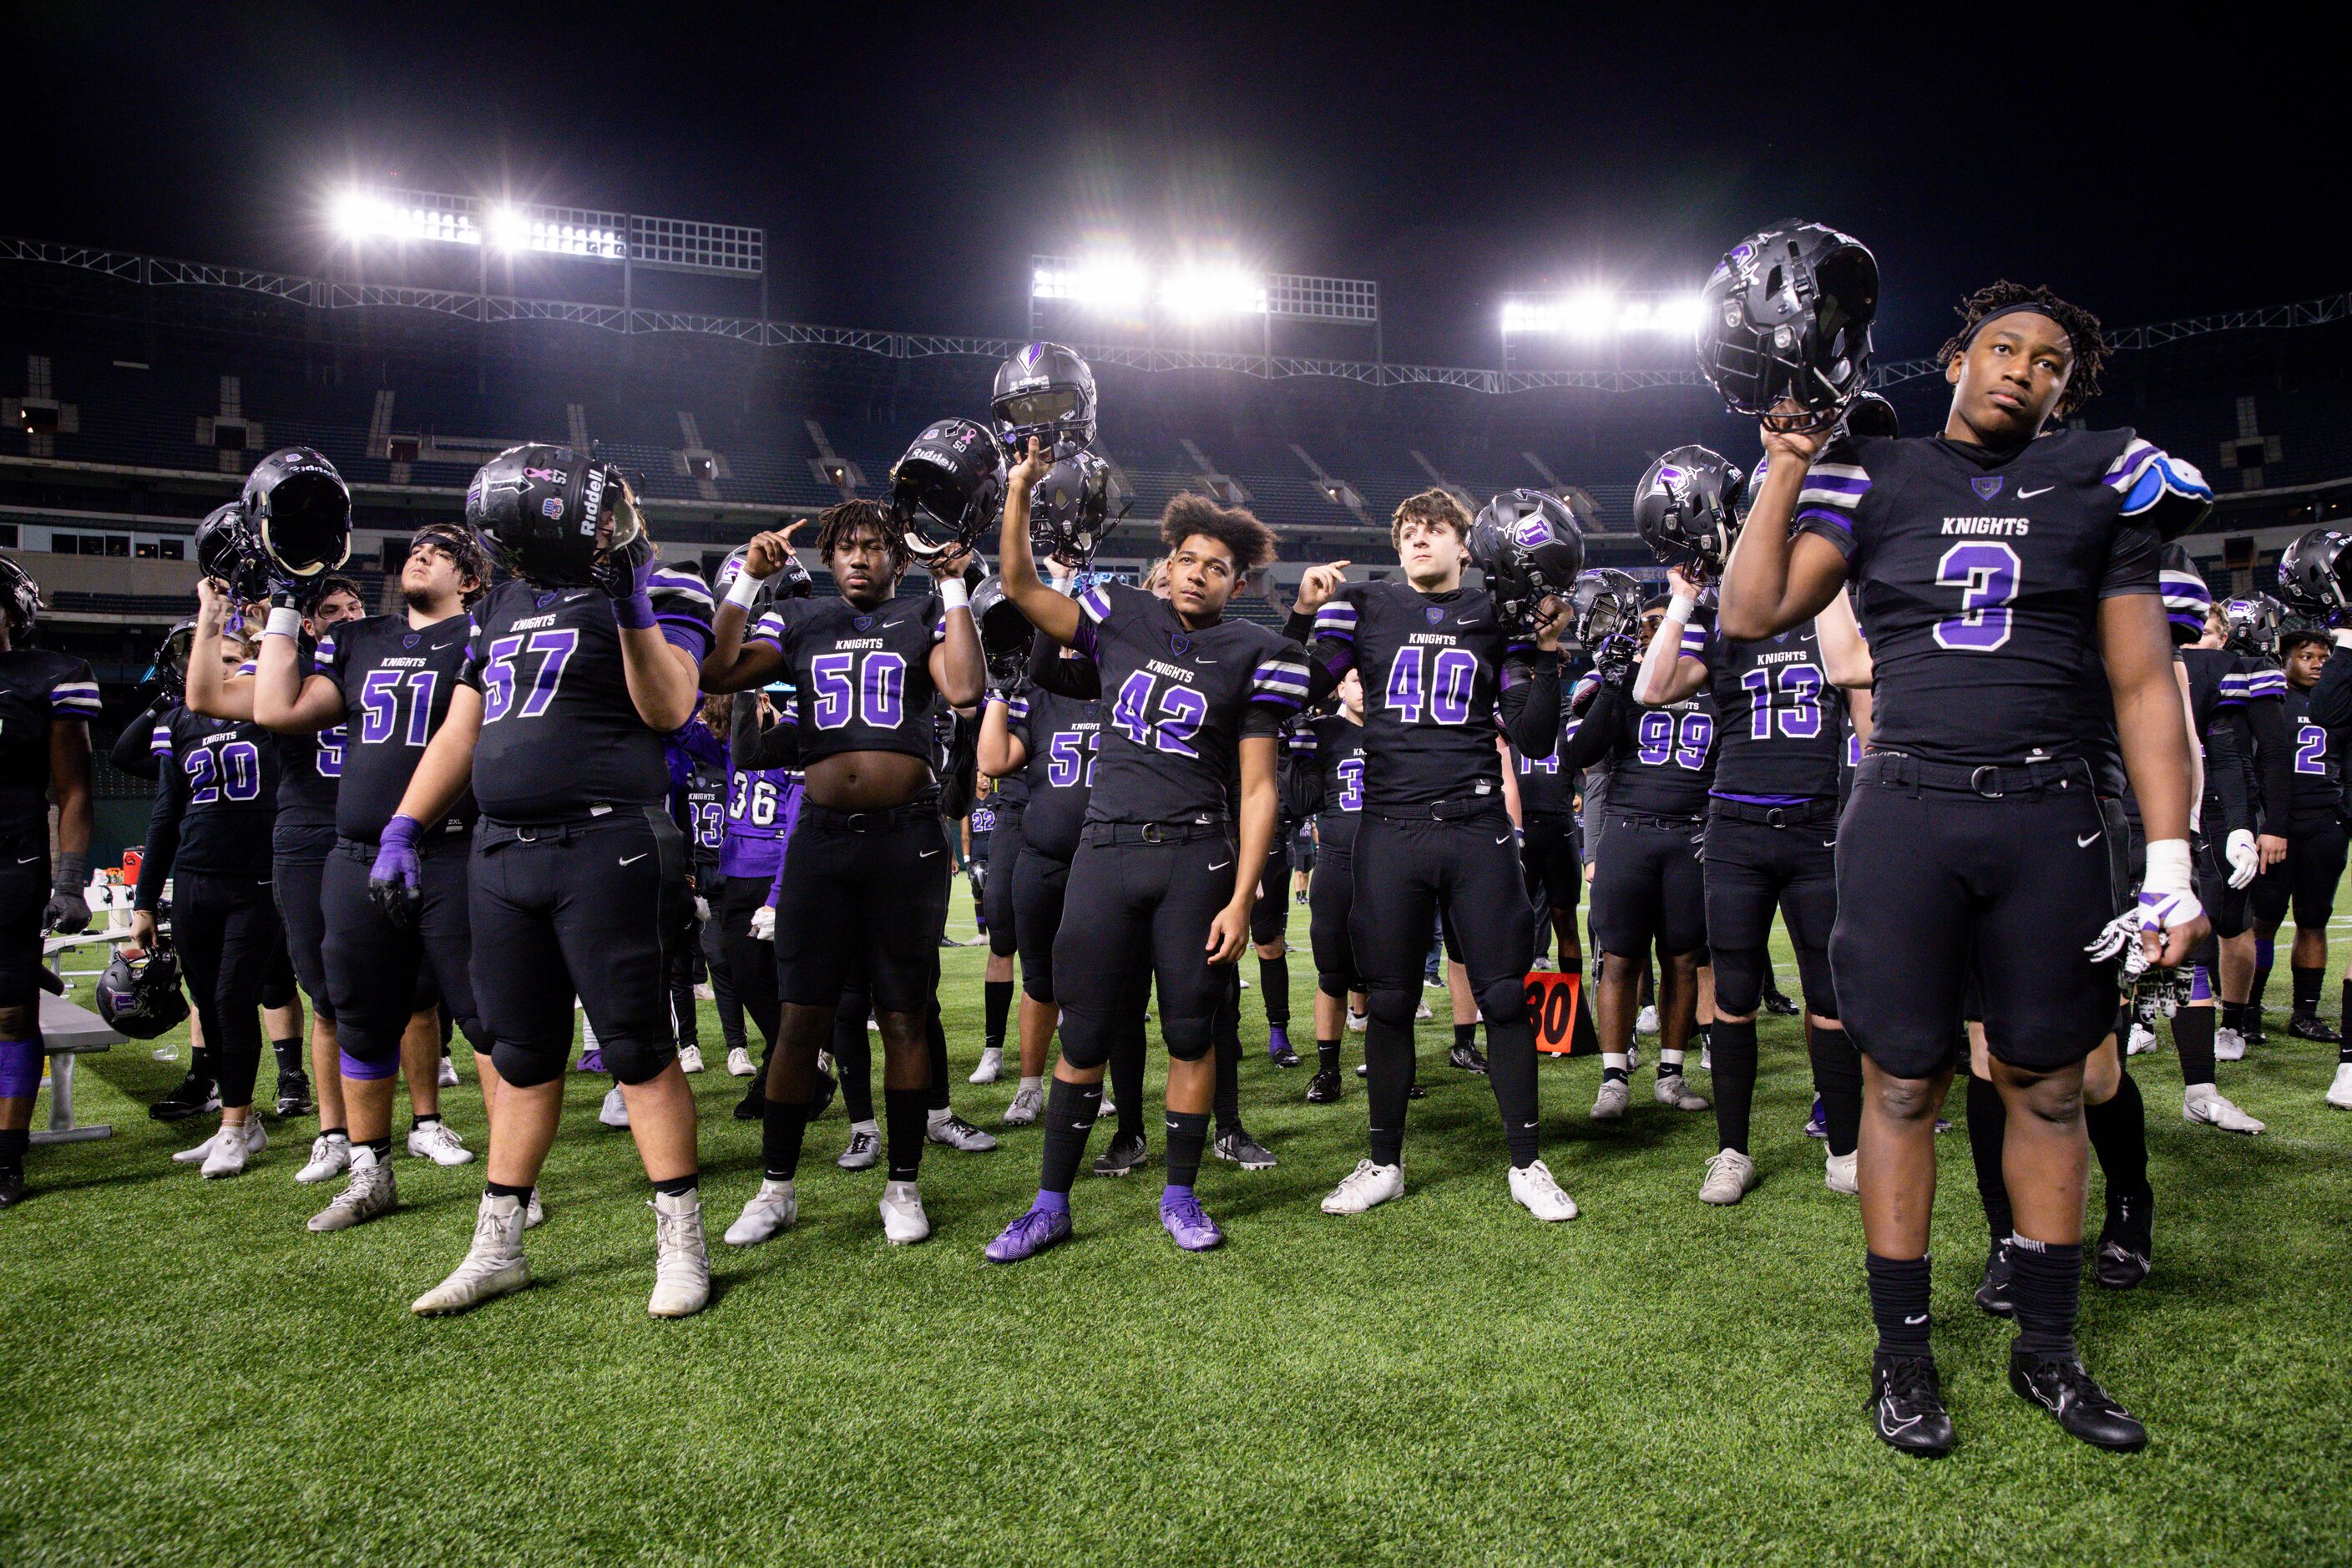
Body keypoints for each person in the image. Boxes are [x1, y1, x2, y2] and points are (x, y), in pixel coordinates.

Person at [1718, 281, 2210, 1455]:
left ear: (2064, 389)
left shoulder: (2103, 474)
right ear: (1953, 359)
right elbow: (1750, 609)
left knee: (2045, 1082)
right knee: (1900, 1083)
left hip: (2053, 811)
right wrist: (1785, 459)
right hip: (1905, 810)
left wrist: (2170, 856)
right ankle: (1903, 1359)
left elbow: (2143, 684)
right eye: (2003, 347)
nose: (2022, 371)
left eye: (2048, 362)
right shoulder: (1870, 471)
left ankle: (2047, 1349)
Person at [389, 451, 716, 1318]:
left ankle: (681, 1239)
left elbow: (671, 707)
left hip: (606, 840)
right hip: (500, 853)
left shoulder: (666, 587)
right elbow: (462, 734)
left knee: (639, 1048)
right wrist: (405, 825)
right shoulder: (495, 604)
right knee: (520, 1053)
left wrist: (629, 601)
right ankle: (499, 1245)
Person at [983, 453, 1309, 1261]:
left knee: (1192, 1034)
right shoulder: (1121, 613)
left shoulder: (1257, 653)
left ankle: (1179, 1192)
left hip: (1194, 858)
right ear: (1168, 566)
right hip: (1104, 847)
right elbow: (1023, 589)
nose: (1201, 576)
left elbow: (1260, 788)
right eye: (1190, 561)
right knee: (1085, 1033)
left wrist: (1241, 900)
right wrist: (1020, 491)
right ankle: (1050, 1203)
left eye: (1219, 569)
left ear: (1238, 585)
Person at [1289, 488, 1577, 1223]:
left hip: (1477, 823)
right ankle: (1384, 1161)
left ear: (1464, 544)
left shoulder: (1496, 615)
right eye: (1407, 531)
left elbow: (1536, 735)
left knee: (1505, 996)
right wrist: (1300, 616)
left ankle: (1526, 1161)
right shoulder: (1362, 605)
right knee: (1387, 999)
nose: (1417, 541)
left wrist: (1545, 654)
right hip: (1390, 826)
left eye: (1433, 530)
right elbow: (1301, 687)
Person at [701, 498, 983, 1248]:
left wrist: (953, 587)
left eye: (874, 546)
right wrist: (746, 584)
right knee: (801, 1020)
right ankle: (776, 1188)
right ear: (828, 558)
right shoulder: (798, 620)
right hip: (822, 841)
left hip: (907, 841)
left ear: (898, 556)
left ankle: (903, 1184)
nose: (860, 558)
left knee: (902, 1014)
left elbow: (961, 689)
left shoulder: (924, 612)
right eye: (848, 547)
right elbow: (718, 670)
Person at [248, 522, 495, 1232]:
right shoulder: (360, 638)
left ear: (470, 579)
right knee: (357, 1017)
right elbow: (275, 709)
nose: (419, 555)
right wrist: (286, 609)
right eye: (415, 548)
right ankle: (369, 1173)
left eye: (441, 552)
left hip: (452, 846)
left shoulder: (480, 635)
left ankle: (512, 1182)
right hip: (354, 852)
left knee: (487, 1022)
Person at [1631, 541, 1863, 1203]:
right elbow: (1651, 689)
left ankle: (1844, 1147)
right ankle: (1731, 1151)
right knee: (1732, 997)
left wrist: (1832, 576)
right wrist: (1680, 599)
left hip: (1818, 824)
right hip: (1735, 829)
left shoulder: (1829, 614)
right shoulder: (1723, 619)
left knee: (1828, 998)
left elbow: (1858, 684)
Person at [136, 607, 283, 1178]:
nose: (224, 672)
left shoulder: (268, 713)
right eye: (214, 661)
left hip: (256, 881)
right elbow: (165, 813)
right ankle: (242, 1122)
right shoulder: (178, 721)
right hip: (196, 880)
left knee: (230, 1000)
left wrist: (266, 629)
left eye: (234, 660)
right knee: (210, 1007)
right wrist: (145, 900)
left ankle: (231, 1125)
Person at [1561, 594, 1717, 1125]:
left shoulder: (1713, 680)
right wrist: (1612, 682)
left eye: (1660, 622)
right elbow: (1577, 758)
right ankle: (1613, 1077)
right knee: (1621, 959)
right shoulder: (1623, 683)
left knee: (1682, 960)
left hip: (1691, 838)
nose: (1651, 632)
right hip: (1628, 833)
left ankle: (1670, 1073)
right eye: (1647, 624)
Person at [0, 556, 98, 1209]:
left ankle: (7, 1155)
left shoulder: (50, 677)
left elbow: (73, 790)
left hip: (12, 859)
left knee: (9, 1011)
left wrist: (68, 881)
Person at [2246, 627, 2347, 1044]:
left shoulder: (2339, 704)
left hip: (2326, 824)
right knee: (2263, 920)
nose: (2318, 664)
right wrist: (2267, 823)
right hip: (2278, 827)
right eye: (2308, 656)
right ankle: (2247, 1010)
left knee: (2314, 920)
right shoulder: (2270, 700)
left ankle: (2305, 1013)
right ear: (2285, 659)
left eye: (2325, 657)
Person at [1290, 668, 1368, 1103]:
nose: (1365, 690)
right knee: (1332, 974)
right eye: (1357, 681)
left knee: (1392, 975)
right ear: (1341, 687)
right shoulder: (1322, 732)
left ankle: (1392, 1060)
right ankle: (1327, 1069)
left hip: (1389, 865)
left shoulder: (1396, 729)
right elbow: (1301, 800)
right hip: (1337, 863)